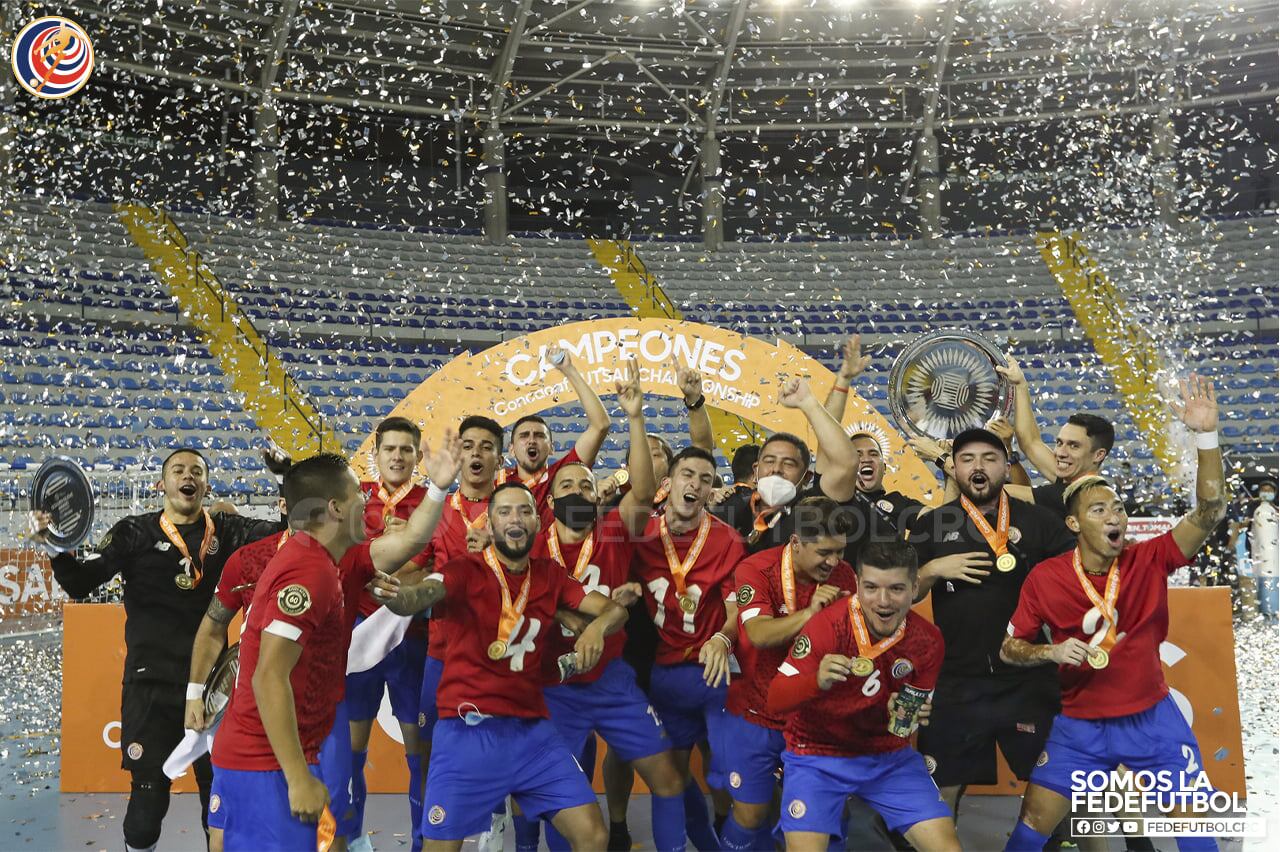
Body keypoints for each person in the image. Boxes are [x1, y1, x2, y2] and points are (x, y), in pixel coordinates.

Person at [190, 436, 461, 850]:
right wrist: (298, 778)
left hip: (299, 745)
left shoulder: (339, 559)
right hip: (265, 760)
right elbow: (268, 677)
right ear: (334, 509)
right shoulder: (305, 575)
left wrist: (439, 487)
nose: (366, 505)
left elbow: (408, 543)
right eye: (356, 495)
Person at [1000, 374, 1226, 852]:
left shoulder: (1150, 559)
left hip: (1152, 721)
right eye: (1100, 510)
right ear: (1074, 523)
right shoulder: (1046, 578)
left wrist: (1205, 436)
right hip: (1079, 726)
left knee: (1195, 832)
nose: (1115, 517)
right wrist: (1050, 650)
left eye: (1118, 508)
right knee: (1030, 829)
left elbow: (1209, 510)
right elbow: (1010, 648)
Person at [34, 448, 285, 852]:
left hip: (213, 689)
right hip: (150, 687)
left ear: (205, 485)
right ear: (162, 484)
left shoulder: (229, 530)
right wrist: (52, 543)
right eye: (178, 470)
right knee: (147, 806)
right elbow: (81, 583)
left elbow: (287, 538)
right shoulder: (134, 532)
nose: (188, 476)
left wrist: (282, 478)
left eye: (197, 471)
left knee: (218, 801)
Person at [391, 481, 629, 851]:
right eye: (504, 512)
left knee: (594, 835)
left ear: (537, 522)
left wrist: (597, 629)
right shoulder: (464, 571)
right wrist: (394, 594)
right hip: (467, 731)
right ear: (490, 523)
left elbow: (615, 609)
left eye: (524, 511)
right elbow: (421, 595)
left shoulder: (550, 575)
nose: (514, 519)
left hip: (532, 732)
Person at [513, 361, 689, 852]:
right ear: (549, 496)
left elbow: (644, 486)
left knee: (669, 779)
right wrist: (585, 618)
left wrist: (634, 417)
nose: (577, 491)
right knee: (554, 795)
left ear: (597, 494)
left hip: (611, 680)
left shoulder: (614, 528)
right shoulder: (528, 543)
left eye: (586, 485)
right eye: (566, 485)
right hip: (551, 683)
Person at [907, 427, 1076, 823]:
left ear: (1005, 465)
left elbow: (1075, 584)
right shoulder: (932, 524)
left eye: (989, 458)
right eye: (967, 459)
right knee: (941, 790)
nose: (978, 467)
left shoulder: (1040, 523)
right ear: (955, 468)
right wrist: (932, 569)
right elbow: (905, 594)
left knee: (1050, 787)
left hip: (1028, 678)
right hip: (957, 680)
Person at [766, 539, 959, 852]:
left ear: (915, 587)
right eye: (871, 587)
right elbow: (775, 699)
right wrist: (815, 681)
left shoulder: (929, 641)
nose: (882, 601)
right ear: (856, 584)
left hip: (888, 758)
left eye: (896, 589)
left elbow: (905, 719)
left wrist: (904, 714)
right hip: (817, 754)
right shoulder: (827, 626)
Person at [720, 496, 859, 850]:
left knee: (826, 816)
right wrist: (811, 613)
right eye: (825, 552)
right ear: (796, 542)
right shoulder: (755, 570)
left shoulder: (844, 576)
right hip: (759, 714)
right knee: (750, 816)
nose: (834, 562)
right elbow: (760, 634)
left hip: (815, 718)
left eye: (840, 551)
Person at [630, 444, 747, 850]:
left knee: (732, 772)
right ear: (670, 481)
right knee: (670, 778)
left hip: (714, 673)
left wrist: (722, 638)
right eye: (688, 475)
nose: (695, 484)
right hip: (665, 673)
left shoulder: (728, 540)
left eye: (705, 479)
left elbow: (737, 613)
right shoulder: (639, 533)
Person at [348, 416, 434, 851]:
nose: (398, 456)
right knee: (351, 749)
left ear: (418, 456)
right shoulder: (351, 501)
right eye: (390, 449)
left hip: (412, 638)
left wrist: (407, 576)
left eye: (406, 449)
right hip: (360, 638)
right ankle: (354, 838)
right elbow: (337, 559)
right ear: (375, 454)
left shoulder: (434, 501)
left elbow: (440, 564)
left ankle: (423, 842)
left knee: (418, 751)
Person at [714, 378, 858, 552]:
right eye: (769, 461)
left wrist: (808, 404)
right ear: (755, 470)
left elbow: (845, 463)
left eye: (788, 464)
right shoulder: (731, 506)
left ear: (806, 477)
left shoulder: (813, 511)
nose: (776, 469)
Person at [997, 356, 1116, 519]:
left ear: (1098, 455)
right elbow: (1030, 443)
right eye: (1060, 443)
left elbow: (993, 492)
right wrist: (1020, 384)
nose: (1060, 452)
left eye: (1074, 446)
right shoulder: (1075, 478)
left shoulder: (1080, 495)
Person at [502, 347, 611, 521]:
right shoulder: (499, 483)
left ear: (551, 448)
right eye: (524, 436)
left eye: (539, 436)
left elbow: (601, 425)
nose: (531, 440)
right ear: (512, 449)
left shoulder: (564, 473)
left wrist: (568, 370)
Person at [1250, 480, 1278, 619]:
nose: (1266, 493)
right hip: (1264, 560)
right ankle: (1268, 614)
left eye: (1270, 490)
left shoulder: (1274, 511)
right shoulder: (1260, 511)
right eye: (1264, 490)